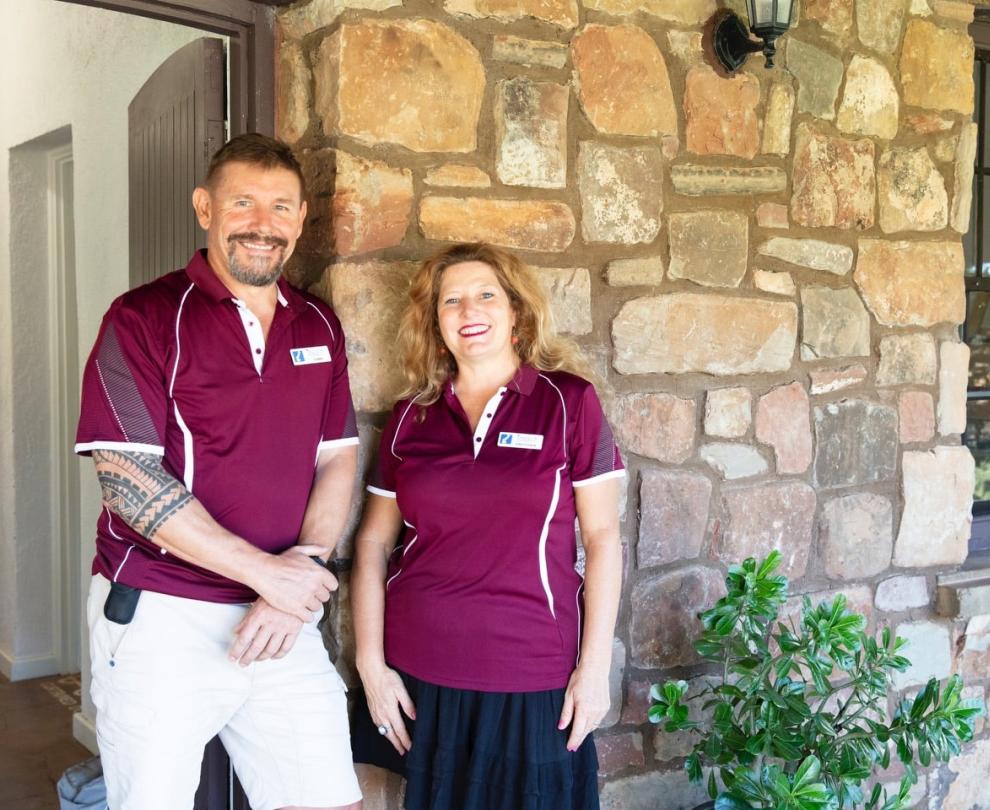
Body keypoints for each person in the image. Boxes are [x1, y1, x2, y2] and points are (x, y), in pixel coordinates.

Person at [75, 133, 363, 810]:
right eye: (243, 203)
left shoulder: (318, 324)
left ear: (300, 221)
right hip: (161, 616)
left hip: (279, 620)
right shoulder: (142, 318)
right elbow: (128, 482)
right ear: (205, 208)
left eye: (281, 208)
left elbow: (338, 457)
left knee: (329, 800)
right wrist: (268, 574)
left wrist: (298, 574)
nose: (263, 224)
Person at [350, 242, 624, 809]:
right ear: (436, 324)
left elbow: (602, 541)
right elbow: (375, 541)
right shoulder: (412, 414)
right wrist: (371, 666)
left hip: (531, 669)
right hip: (422, 671)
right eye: (451, 301)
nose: (468, 311)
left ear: (516, 313)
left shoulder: (569, 403)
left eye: (484, 295)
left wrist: (595, 670)